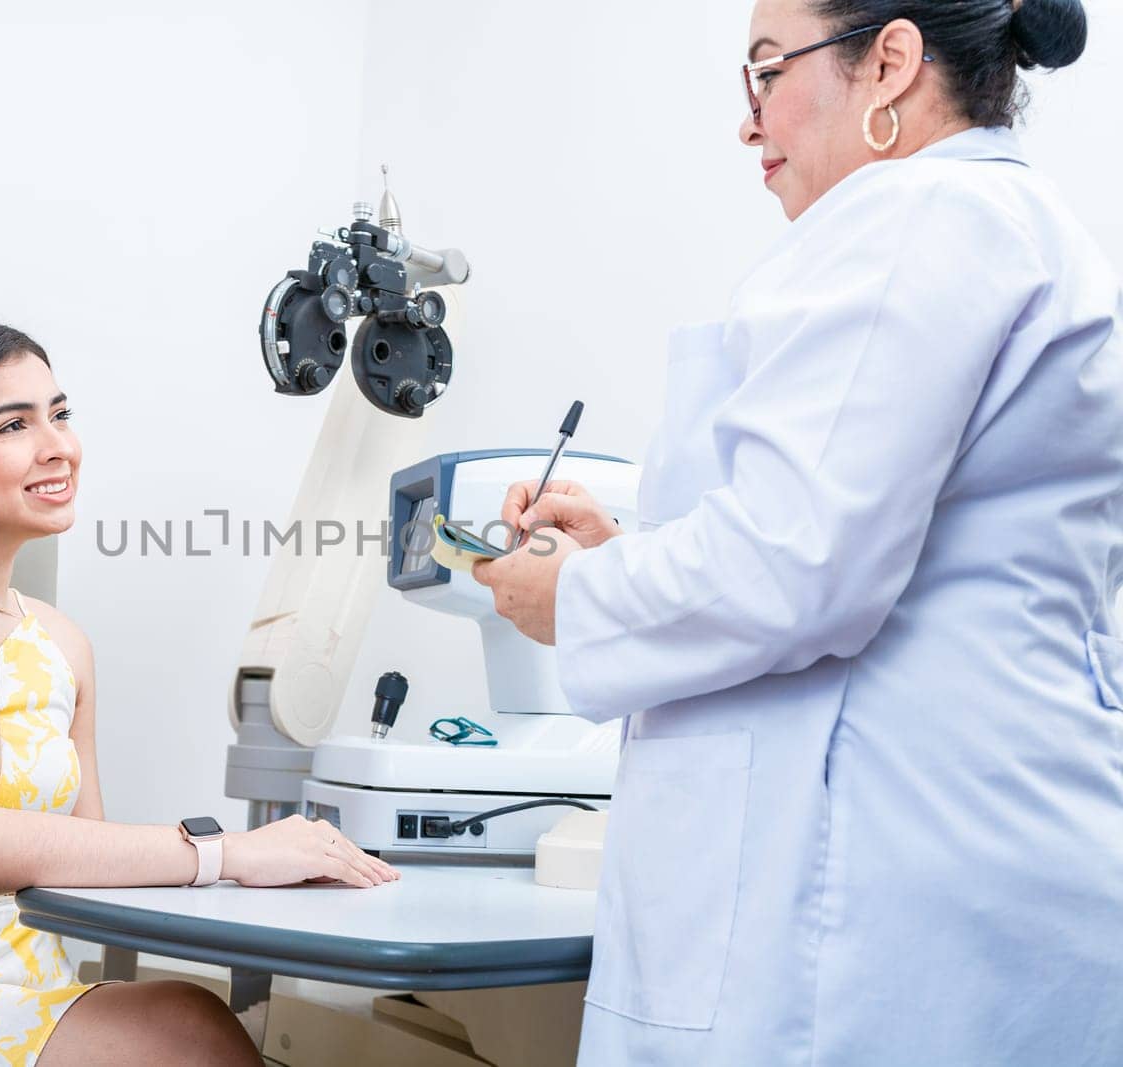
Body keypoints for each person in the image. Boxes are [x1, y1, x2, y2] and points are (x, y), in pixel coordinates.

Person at [473, 1, 1122, 1064]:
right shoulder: (1017, 226)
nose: (749, 119)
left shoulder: (917, 216)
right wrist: (634, 549)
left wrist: (576, 596)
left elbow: (796, 561)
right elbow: (877, 534)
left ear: (890, 64)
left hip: (880, 894)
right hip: (980, 851)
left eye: (766, 72)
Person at [0, 320, 398, 1066]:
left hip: (29, 1003)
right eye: (14, 424)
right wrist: (230, 851)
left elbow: (90, 868)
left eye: (60, 413)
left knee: (195, 1020)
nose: (59, 446)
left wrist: (272, 871)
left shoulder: (62, 646)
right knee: (189, 1028)